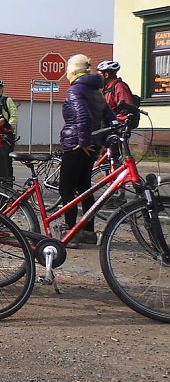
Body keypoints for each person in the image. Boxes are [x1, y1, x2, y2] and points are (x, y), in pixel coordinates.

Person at [58, 54, 115, 247]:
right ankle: (89, 232)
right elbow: (108, 116)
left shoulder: (76, 89)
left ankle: (70, 232)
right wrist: (103, 140)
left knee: (66, 188)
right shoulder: (96, 90)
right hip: (93, 145)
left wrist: (82, 141)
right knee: (84, 187)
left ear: (73, 71)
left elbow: (82, 116)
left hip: (76, 144)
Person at [0, 78, 19, 178]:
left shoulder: (7, 100)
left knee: (6, 158)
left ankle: (8, 181)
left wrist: (9, 126)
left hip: (7, 134)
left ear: (2, 89)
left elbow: (14, 115)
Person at [96, 60, 136, 124]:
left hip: (115, 126)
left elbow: (126, 109)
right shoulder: (106, 88)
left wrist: (116, 121)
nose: (98, 77)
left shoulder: (119, 87)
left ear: (106, 75)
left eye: (100, 74)